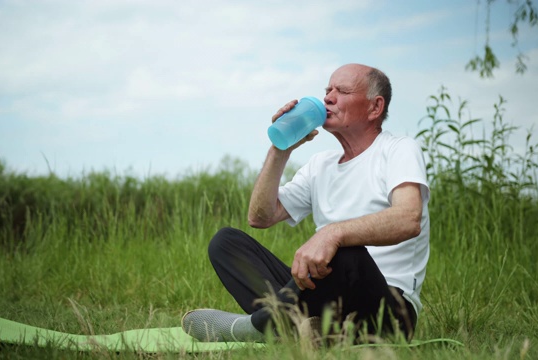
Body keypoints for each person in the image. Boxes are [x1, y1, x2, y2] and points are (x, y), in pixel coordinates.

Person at [181, 63, 430, 344]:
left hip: (387, 308)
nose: (328, 98)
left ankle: (258, 327)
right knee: (226, 242)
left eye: (342, 91)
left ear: (375, 107)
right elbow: (261, 217)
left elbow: (408, 219)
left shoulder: (398, 150)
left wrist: (332, 233)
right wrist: (280, 149)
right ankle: (305, 329)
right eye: (328, 90)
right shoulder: (320, 165)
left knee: (347, 253)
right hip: (327, 298)